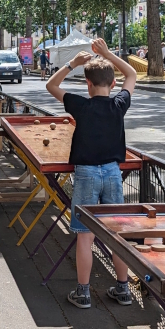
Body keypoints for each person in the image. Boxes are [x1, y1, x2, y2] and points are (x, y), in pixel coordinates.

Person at [45, 38, 137, 310]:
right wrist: (108, 53)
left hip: (85, 173)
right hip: (112, 172)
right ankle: (123, 289)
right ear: (112, 84)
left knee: (85, 235)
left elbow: (51, 85)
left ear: (87, 84)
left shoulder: (80, 105)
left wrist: (74, 63)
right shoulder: (119, 104)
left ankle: (83, 293)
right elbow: (131, 74)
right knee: (115, 233)